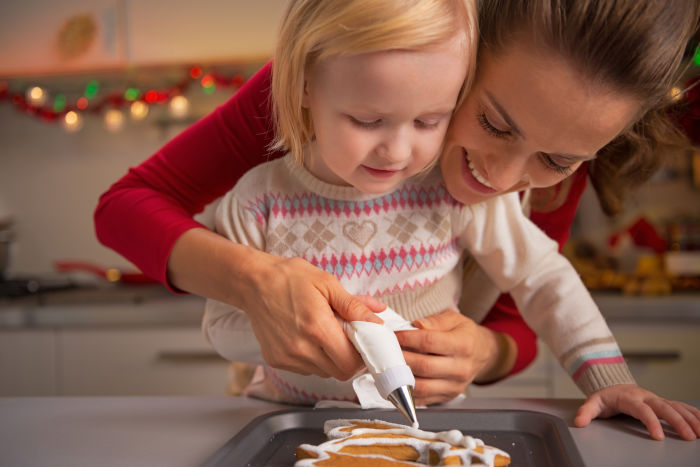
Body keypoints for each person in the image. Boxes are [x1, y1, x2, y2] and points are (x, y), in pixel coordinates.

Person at [94, 0, 700, 440]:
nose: (500, 177)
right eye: (492, 122)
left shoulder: (495, 187)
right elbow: (128, 208)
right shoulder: (338, 85)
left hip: (436, 424)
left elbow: (540, 291)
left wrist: (505, 357)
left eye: (557, 160)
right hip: (291, 421)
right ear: (463, 58)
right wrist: (258, 288)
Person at [203, 0, 476, 404]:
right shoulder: (258, 201)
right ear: (305, 85)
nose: (398, 153)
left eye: (428, 121)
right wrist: (321, 332)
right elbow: (221, 328)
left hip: (432, 424)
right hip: (294, 422)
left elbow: (541, 275)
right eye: (367, 121)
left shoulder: (453, 188)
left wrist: (603, 371)